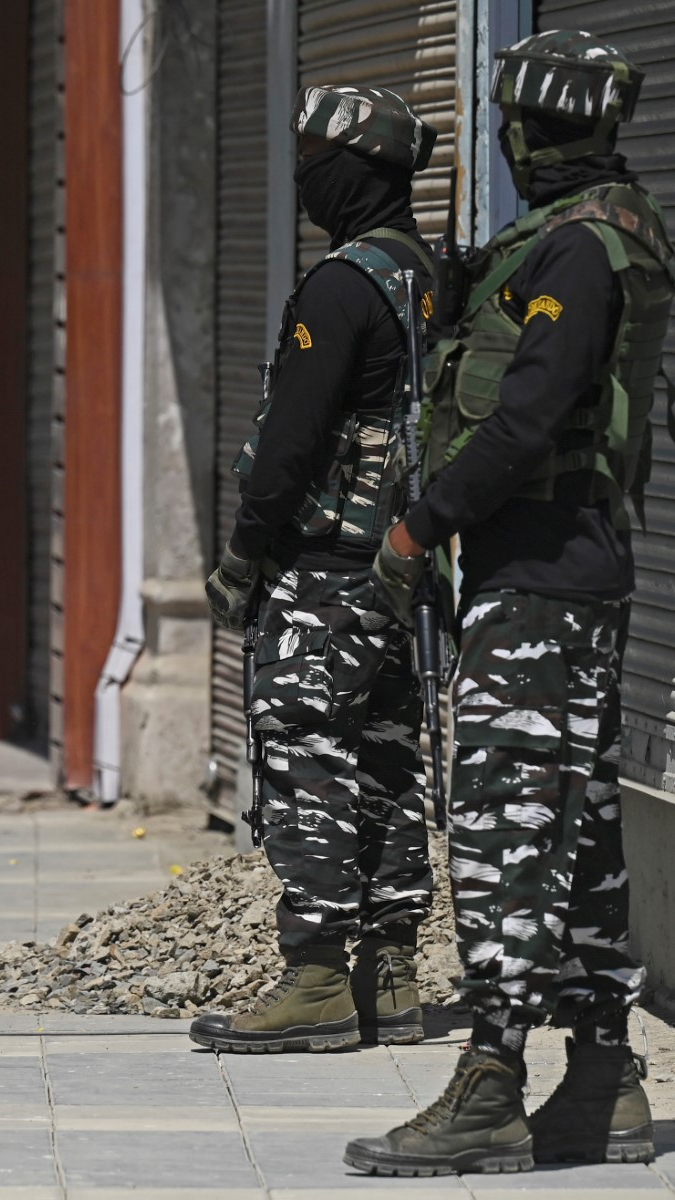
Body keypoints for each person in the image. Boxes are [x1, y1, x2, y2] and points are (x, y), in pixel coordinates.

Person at [347, 31, 670, 1176]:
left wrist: (415, 524)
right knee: (574, 841)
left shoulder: (582, 252)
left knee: (500, 833)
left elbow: (525, 418)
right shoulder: (584, 236)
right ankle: (602, 1084)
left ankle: (489, 1082)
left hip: (538, 579)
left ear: (528, 134)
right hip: (558, 575)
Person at [190, 85, 436, 1056]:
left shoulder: (341, 285)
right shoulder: (428, 275)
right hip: (395, 573)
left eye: (310, 162)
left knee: (303, 753)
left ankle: (316, 976)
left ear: (351, 171)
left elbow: (288, 443)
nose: (299, 179)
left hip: (324, 568)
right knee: (383, 757)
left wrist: (244, 553)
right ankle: (393, 972)